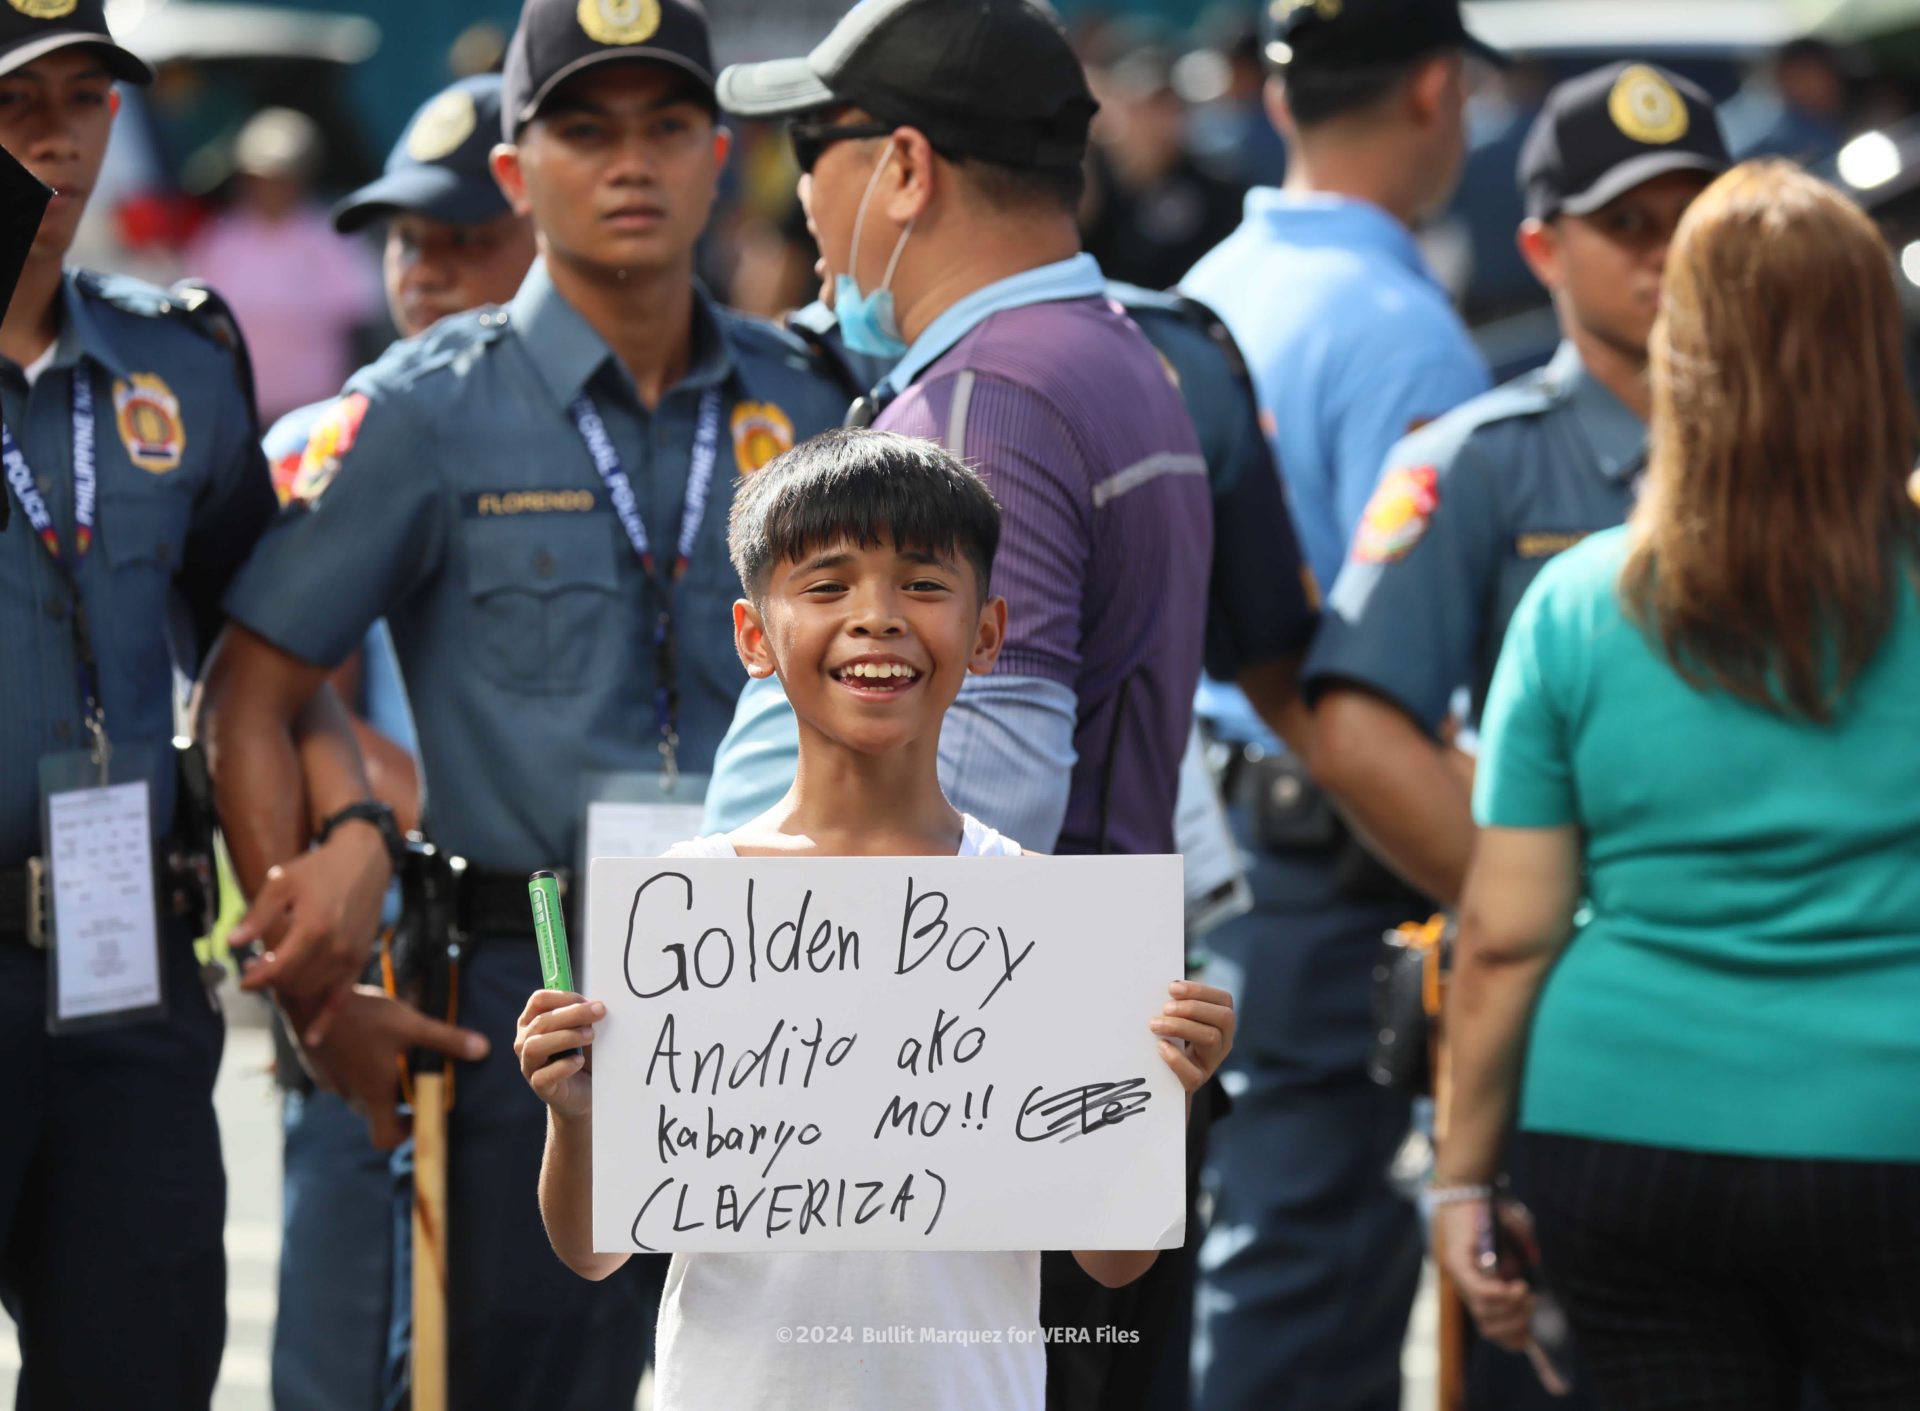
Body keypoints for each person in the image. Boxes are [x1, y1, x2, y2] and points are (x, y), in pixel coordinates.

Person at [194, 0, 853, 1405]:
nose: (632, 164)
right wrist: (317, 999)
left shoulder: (813, 403)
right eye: (586, 129)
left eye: (668, 126)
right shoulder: (426, 410)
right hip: (530, 994)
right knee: (512, 1377)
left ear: (720, 157)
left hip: (792, 981)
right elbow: (247, 694)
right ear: (515, 171)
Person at [515, 426, 1240, 1411]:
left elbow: (1111, 1264)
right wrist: (576, 1112)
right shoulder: (684, 909)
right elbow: (595, 1250)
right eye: (826, 586)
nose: (877, 619)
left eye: (924, 585)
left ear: (986, 634)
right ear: (753, 637)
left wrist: (1166, 1094)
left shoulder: (1044, 915)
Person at [716, 3, 1220, 1400]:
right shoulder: (1112, 356)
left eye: (814, 145)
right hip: (1052, 1090)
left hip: (954, 1131)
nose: (800, 192)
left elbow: (945, 825)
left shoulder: (986, 402)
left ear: (907, 169)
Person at [1436, 160, 1920, 1410]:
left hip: (1627, 1132)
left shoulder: (1579, 605)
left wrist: (1458, 1182)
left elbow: (1503, 939)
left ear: (1682, 345)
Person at [0, 2, 362, 1402]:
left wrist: (344, 831)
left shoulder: (182, 360)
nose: (56, 135)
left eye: (87, 96)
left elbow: (263, 653)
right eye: (17, 101)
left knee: (142, 1368)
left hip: (127, 962)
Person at [1177, 2, 1499, 1406]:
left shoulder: (1211, 280)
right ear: (1439, 90)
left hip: (1209, 843)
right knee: (1306, 1297)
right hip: (1342, 865)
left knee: (1219, 1268)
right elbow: (1417, 679)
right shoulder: (1403, 331)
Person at [261, 71, 536, 1411]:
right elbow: (264, 684)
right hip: (377, 945)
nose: (425, 274)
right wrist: (411, 806)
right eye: (404, 240)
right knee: (338, 1339)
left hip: (537, 964)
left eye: (463, 240)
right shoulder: (331, 439)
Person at [1308, 62, 1729, 909]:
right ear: (1544, 249)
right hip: (1597, 949)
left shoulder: (1797, 445)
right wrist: (1531, 914)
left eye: (1694, 221)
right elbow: (1359, 733)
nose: (1664, 253)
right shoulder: (1478, 459)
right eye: (1625, 222)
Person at [184, 106, 384, 423]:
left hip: (316, 412)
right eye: (261, 177)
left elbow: (361, 317)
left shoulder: (328, 237)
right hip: (240, 408)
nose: (272, 187)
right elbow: (198, 318)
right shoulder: (222, 239)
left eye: (282, 177)